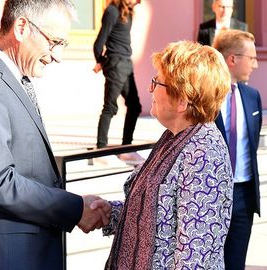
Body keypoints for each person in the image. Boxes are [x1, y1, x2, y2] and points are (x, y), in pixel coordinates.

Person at [0, 1, 110, 269]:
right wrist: (74, 208)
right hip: (2, 259)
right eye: (54, 42)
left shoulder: (6, 80)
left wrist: (78, 204)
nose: (56, 55)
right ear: (22, 27)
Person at [98, 40, 234, 269]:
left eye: (157, 83)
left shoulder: (204, 153)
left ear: (182, 100)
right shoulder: (173, 137)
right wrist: (110, 212)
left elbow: (195, 254)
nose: (150, 89)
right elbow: (157, 217)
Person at [212, 29, 262, 269]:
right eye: (251, 58)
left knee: (235, 265)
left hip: (243, 196)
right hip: (210, 195)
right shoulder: (206, 97)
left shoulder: (253, 97)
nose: (256, 64)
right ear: (232, 59)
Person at [93, 0, 144, 165]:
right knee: (110, 107)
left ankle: (126, 149)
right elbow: (99, 43)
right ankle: (101, 149)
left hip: (126, 64)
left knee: (134, 106)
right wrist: (102, 61)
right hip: (115, 63)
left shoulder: (127, 12)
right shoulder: (112, 11)